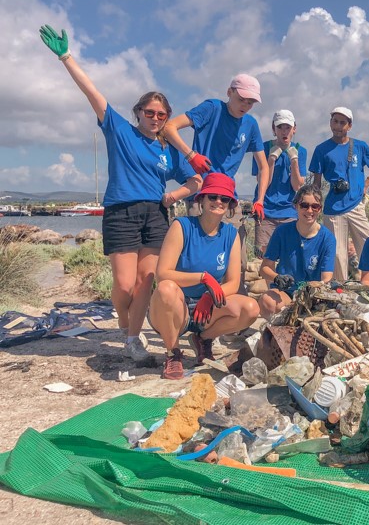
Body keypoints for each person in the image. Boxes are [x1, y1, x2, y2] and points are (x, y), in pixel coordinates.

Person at [39, 24, 202, 367]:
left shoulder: (167, 149)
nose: (156, 118)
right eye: (150, 113)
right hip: (121, 212)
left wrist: (174, 196)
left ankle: (131, 339)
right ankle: (127, 323)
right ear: (138, 113)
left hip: (156, 214)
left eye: (162, 115)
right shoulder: (119, 130)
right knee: (125, 286)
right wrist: (65, 56)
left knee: (148, 279)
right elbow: (92, 93)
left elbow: (196, 182)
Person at [149, 173, 259, 379]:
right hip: (173, 308)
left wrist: (209, 296)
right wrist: (203, 278)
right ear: (201, 199)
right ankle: (173, 353)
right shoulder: (182, 226)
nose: (218, 202)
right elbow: (162, 273)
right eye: (213, 196)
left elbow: (234, 282)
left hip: (206, 311)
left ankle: (203, 339)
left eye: (224, 199)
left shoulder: (230, 234)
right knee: (166, 288)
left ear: (230, 205)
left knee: (251, 308)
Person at [161, 73, 269, 219]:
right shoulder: (212, 108)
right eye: (241, 99)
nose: (245, 105)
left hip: (229, 197)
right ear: (229, 92)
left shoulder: (251, 124)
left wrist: (260, 200)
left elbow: (263, 167)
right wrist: (191, 155)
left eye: (250, 102)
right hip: (201, 195)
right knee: (198, 241)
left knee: (234, 240)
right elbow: (169, 127)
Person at [309, 107, 369, 280]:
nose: (338, 126)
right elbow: (316, 183)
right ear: (330, 123)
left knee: (368, 245)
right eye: (335, 121)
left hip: (356, 204)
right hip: (334, 208)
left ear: (349, 126)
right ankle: (339, 290)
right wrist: (313, 204)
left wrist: (367, 183)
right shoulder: (322, 149)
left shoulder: (360, 146)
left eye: (343, 122)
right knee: (337, 254)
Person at [257, 186, 335, 318]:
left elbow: (326, 277)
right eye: (304, 205)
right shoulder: (282, 232)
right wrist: (277, 278)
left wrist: (313, 288)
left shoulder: (328, 238)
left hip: (312, 296)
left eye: (315, 206)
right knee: (267, 301)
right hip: (285, 293)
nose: (309, 210)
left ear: (320, 209)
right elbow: (264, 268)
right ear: (296, 206)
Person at [252, 109, 307, 257]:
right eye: (280, 127)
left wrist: (294, 161)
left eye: (288, 127)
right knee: (266, 256)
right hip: (266, 211)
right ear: (273, 129)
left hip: (290, 211)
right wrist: (271, 160)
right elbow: (264, 182)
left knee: (289, 254)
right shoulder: (261, 148)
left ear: (294, 129)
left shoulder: (301, 151)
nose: (284, 131)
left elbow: (297, 186)